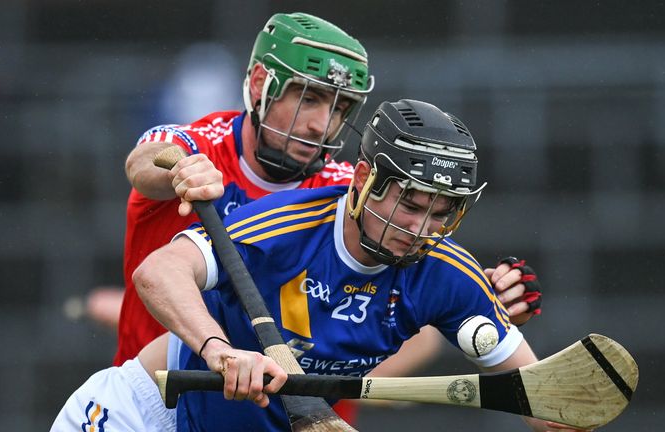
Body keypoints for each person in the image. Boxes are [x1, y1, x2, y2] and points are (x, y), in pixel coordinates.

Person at [113, 11, 541, 424]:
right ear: (262, 83)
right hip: (160, 394)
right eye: (309, 98)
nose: (322, 125)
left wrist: (487, 303)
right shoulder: (201, 146)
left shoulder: (348, 194)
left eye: (340, 108)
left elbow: (419, 303)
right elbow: (145, 162)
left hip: (280, 416)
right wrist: (180, 169)